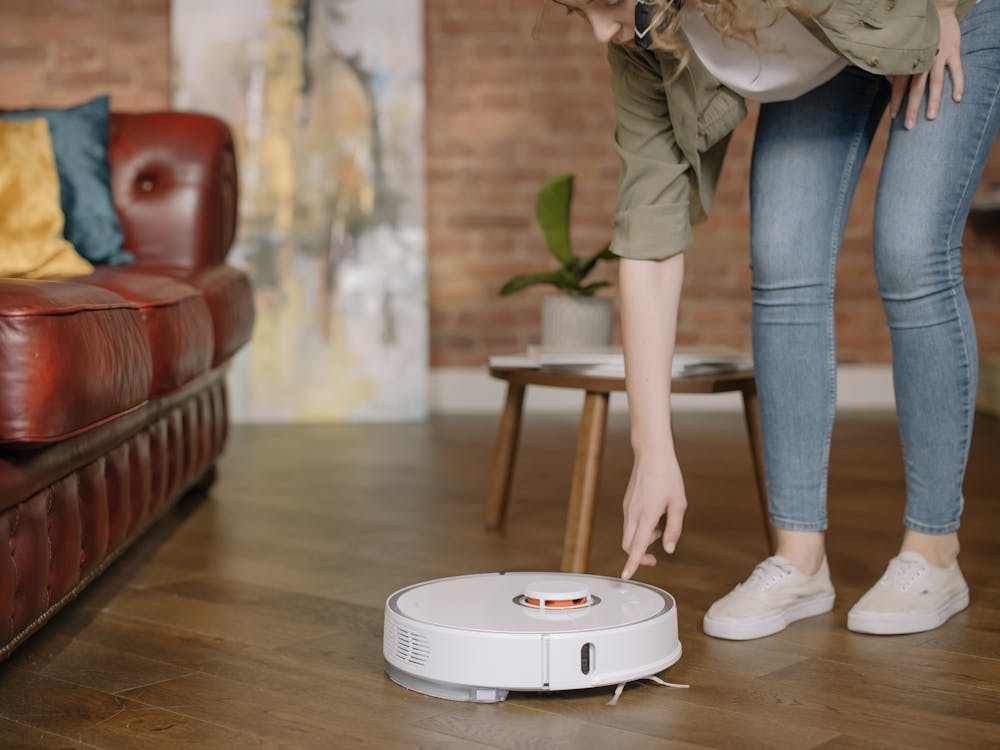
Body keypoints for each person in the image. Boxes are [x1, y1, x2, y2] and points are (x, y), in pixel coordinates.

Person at [548, 0, 999, 638]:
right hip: (822, 36)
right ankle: (799, 560)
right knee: (783, 257)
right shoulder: (642, 42)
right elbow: (648, 236)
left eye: (606, 3)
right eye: (576, 9)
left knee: (910, 249)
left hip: (949, 10)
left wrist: (941, 9)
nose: (598, 30)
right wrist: (652, 451)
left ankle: (934, 552)